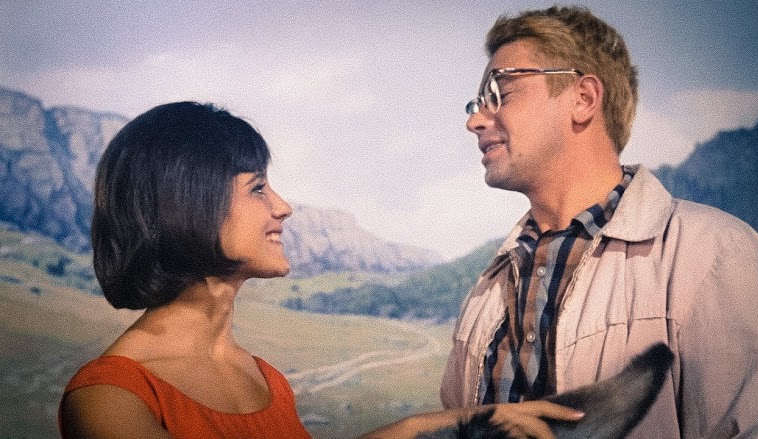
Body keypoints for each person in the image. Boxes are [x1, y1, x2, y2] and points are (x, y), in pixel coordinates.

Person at [59, 101, 583, 439]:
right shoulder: (109, 399)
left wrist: (452, 423)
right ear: (190, 205)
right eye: (257, 188)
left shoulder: (264, 379)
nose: (283, 207)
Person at [441, 5, 758, 439]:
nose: (474, 121)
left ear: (583, 99)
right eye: (476, 104)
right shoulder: (488, 288)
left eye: (500, 94)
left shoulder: (716, 255)